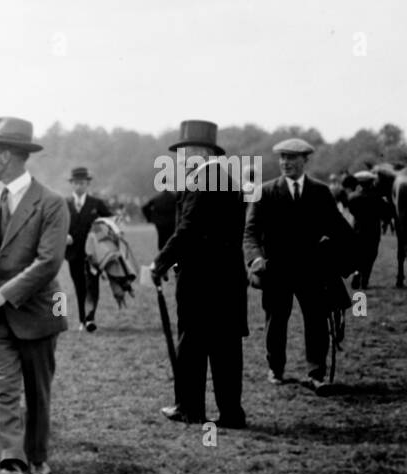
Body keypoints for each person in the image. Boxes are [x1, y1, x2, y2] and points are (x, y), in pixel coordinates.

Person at [0, 117, 68, 474]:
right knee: (2, 389)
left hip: (39, 312)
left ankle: (37, 456)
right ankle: (12, 462)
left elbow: (48, 263)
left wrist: (3, 294)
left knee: (37, 391)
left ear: (7, 155)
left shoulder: (52, 203)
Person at [150, 120, 247, 426]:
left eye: (183, 152)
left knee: (192, 344)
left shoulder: (201, 181)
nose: (180, 158)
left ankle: (189, 408)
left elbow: (188, 229)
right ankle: (231, 412)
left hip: (201, 280)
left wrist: (160, 261)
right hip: (228, 279)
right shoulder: (225, 179)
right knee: (226, 348)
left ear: (199, 152)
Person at [244, 138, 354, 391]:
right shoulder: (266, 191)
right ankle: (276, 369)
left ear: (305, 160)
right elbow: (250, 232)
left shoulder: (320, 192)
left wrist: (339, 261)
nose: (286, 163)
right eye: (282, 157)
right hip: (276, 270)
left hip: (311, 270)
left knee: (316, 321)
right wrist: (255, 258)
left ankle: (316, 373)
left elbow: (340, 230)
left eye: (292, 158)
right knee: (276, 321)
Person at [64, 167, 112, 332]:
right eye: (76, 183)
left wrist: (99, 235)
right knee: (79, 286)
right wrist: (65, 236)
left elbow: (110, 223)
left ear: (87, 184)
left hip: (93, 254)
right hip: (72, 253)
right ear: (72, 184)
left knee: (92, 285)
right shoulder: (65, 204)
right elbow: (56, 225)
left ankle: (90, 318)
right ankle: (81, 320)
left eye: (82, 183)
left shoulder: (96, 204)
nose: (79, 186)